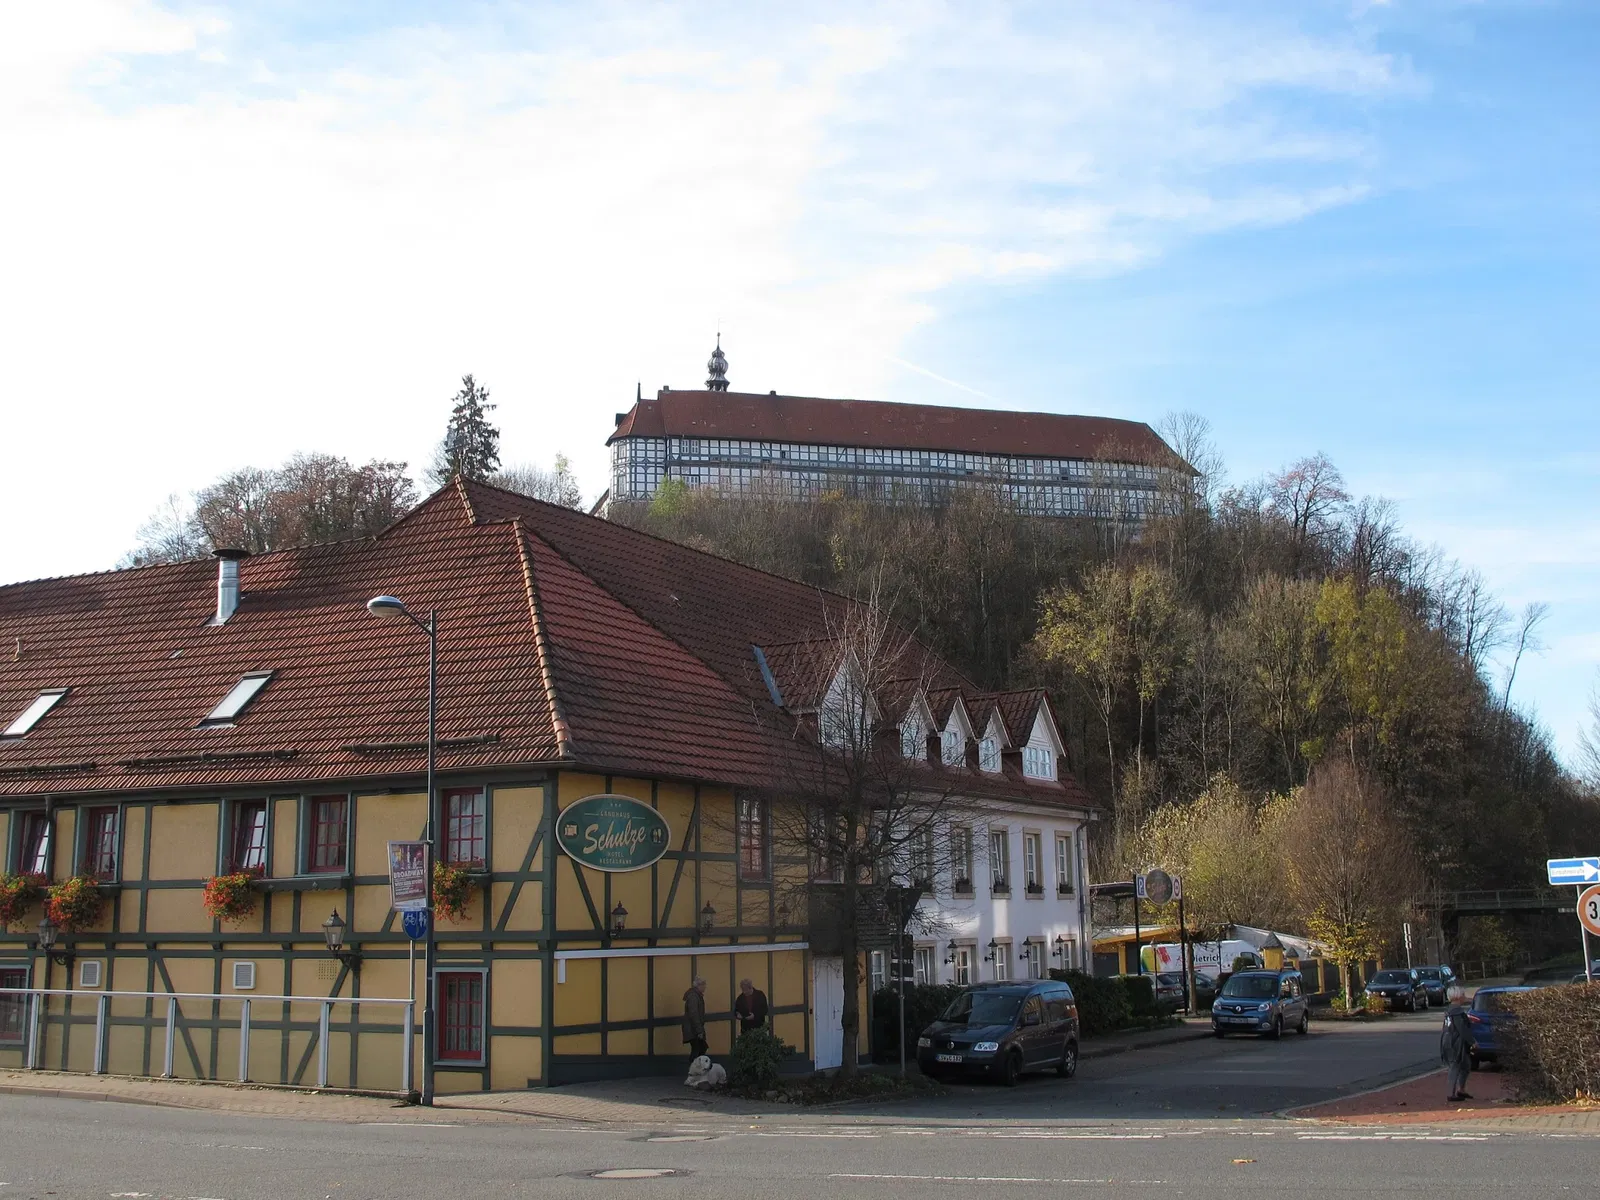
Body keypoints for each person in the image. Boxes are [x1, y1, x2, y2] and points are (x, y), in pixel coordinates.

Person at [1440, 985, 1474, 1102]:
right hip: (1454, 1043)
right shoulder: (1457, 1012)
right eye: (1463, 995)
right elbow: (1462, 1029)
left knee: (1466, 1065)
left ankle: (1461, 1089)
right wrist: (1473, 1042)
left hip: (1447, 1040)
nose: (1464, 997)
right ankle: (1451, 1093)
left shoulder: (1450, 1011)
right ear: (1458, 997)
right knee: (1455, 1066)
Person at [682, 976, 708, 1063]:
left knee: (700, 1048)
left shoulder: (696, 995)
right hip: (693, 1029)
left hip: (692, 1029)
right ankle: (693, 1069)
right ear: (699, 985)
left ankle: (695, 1069)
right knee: (698, 1049)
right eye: (704, 985)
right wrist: (699, 1031)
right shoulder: (694, 996)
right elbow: (694, 1015)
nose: (705, 987)